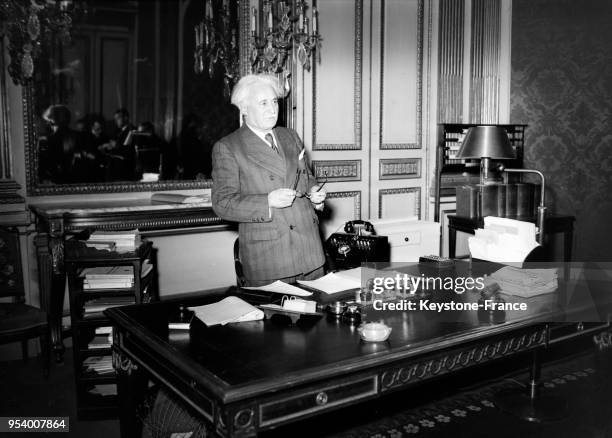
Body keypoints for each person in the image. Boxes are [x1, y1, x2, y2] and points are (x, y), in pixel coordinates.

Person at [212, 74, 327, 286]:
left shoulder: (290, 136)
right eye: (263, 103)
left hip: (311, 252)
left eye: (274, 102)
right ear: (244, 109)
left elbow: (307, 178)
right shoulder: (228, 147)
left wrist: (316, 195)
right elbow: (222, 203)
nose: (272, 109)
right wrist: (267, 201)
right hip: (269, 259)